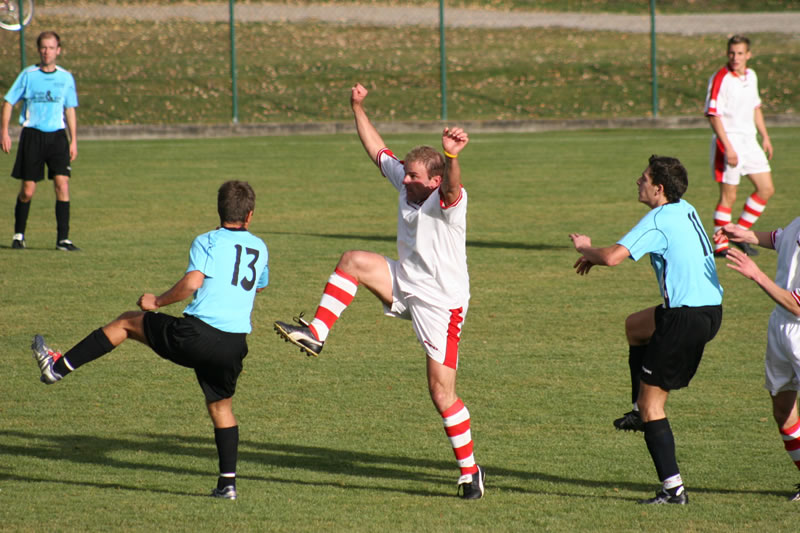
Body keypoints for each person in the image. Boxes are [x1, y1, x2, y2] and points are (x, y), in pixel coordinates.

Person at [273, 82, 484, 500]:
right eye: (404, 171)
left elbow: (453, 186)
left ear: (433, 179)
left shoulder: (448, 200)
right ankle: (317, 333)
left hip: (441, 305)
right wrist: (356, 108)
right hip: (405, 280)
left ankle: (470, 472)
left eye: (412, 174)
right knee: (352, 259)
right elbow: (377, 151)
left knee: (442, 395)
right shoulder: (408, 182)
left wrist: (454, 155)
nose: (402, 177)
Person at [30, 180, 269, 500]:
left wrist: (157, 302)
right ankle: (228, 485)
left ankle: (57, 367)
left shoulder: (208, 240)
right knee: (220, 406)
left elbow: (193, 281)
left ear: (219, 209)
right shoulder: (260, 247)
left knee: (128, 321)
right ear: (250, 216)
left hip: (197, 335)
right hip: (234, 344)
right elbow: (258, 285)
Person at [570, 155, 723, 505]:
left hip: (684, 317)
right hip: (711, 309)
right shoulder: (686, 208)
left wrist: (586, 249)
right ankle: (639, 410)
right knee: (635, 326)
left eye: (642, 179)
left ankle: (674, 490)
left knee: (653, 406)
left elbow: (612, 256)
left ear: (659, 188)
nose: (637, 183)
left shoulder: (658, 219)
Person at [715, 222, 800, 501]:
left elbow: (798, 306)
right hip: (780, 324)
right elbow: (780, 238)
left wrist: (758, 275)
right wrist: (745, 234)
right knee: (782, 408)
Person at [1, 30, 79, 251]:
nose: (47, 52)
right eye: (43, 47)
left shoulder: (65, 78)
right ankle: (19, 235)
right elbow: (8, 102)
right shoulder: (28, 75)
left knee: (62, 184)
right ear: (39, 50)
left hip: (57, 136)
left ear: (58, 50)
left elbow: (70, 109)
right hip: (32, 135)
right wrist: (4, 131)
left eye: (51, 48)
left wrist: (73, 141)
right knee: (27, 190)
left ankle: (63, 239)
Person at [704, 34, 774, 258]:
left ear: (748, 55)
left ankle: (740, 234)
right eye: (732, 53)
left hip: (750, 142)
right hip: (729, 141)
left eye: (740, 53)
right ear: (727, 54)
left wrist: (764, 136)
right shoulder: (720, 79)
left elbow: (756, 107)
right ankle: (721, 245)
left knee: (766, 189)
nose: (735, 57)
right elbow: (713, 115)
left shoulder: (751, 76)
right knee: (729, 196)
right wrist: (728, 147)